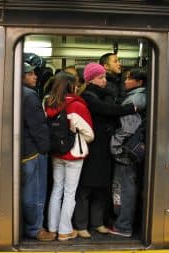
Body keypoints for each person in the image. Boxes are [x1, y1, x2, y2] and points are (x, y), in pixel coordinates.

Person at [72, 62, 136, 238]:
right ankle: (81, 224)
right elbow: (107, 110)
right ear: (91, 79)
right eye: (101, 77)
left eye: (104, 77)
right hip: (91, 146)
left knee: (101, 187)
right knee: (85, 188)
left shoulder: (106, 94)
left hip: (103, 145)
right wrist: (129, 109)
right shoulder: (88, 96)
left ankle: (97, 222)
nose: (104, 80)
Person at [44, 71, 94, 241]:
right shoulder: (77, 105)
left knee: (56, 189)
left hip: (55, 152)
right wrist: (77, 135)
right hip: (73, 154)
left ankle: (52, 227)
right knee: (70, 192)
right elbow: (89, 134)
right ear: (71, 86)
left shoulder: (48, 102)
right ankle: (65, 230)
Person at [109, 68, 147, 237]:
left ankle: (123, 226)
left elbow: (127, 128)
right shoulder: (143, 95)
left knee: (125, 187)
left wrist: (115, 144)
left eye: (129, 79)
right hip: (135, 148)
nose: (125, 81)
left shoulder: (134, 98)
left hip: (126, 149)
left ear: (139, 82)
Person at [21, 62, 55, 241]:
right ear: (21, 76)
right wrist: (45, 148)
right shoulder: (30, 95)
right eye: (30, 74)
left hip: (22, 150)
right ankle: (35, 229)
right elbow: (38, 126)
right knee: (35, 193)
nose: (35, 77)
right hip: (33, 152)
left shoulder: (15, 92)